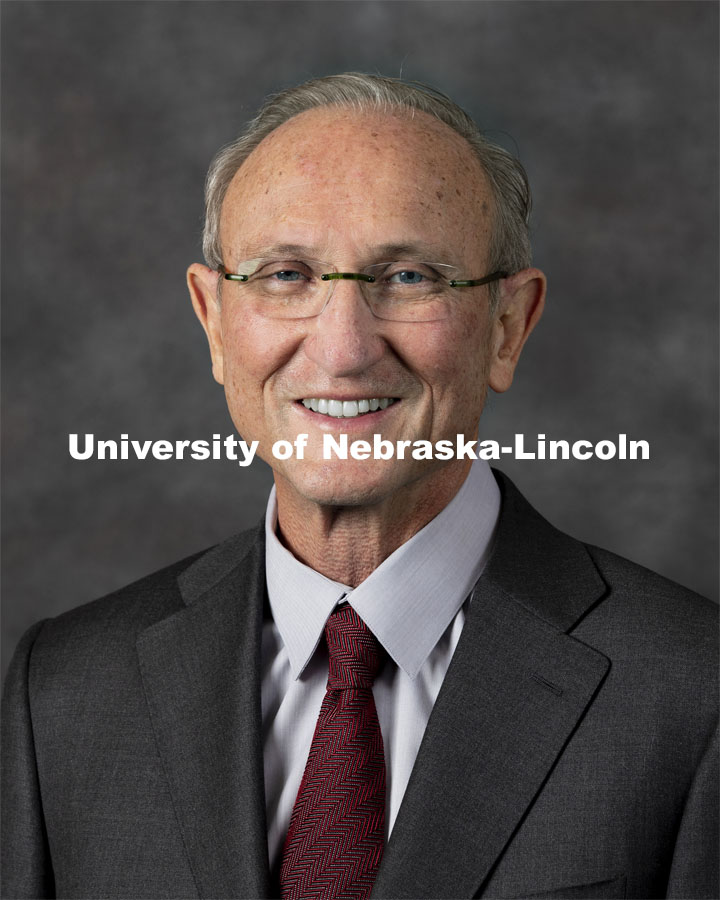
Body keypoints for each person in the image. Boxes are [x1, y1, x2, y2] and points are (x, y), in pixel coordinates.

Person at [1, 73, 717, 900]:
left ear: (508, 328)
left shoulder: (695, 695)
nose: (342, 350)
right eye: (285, 274)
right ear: (215, 326)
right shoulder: (63, 691)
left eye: (410, 277)